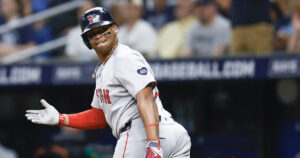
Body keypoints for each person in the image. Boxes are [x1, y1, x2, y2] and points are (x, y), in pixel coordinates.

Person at [25, 7, 191, 158]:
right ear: (86, 41)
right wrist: (62, 118)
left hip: (143, 135)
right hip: (168, 134)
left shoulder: (124, 57)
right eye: (92, 33)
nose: (98, 35)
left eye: (103, 29)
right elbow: (100, 116)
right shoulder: (104, 68)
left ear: (115, 28)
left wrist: (153, 143)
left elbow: (145, 96)